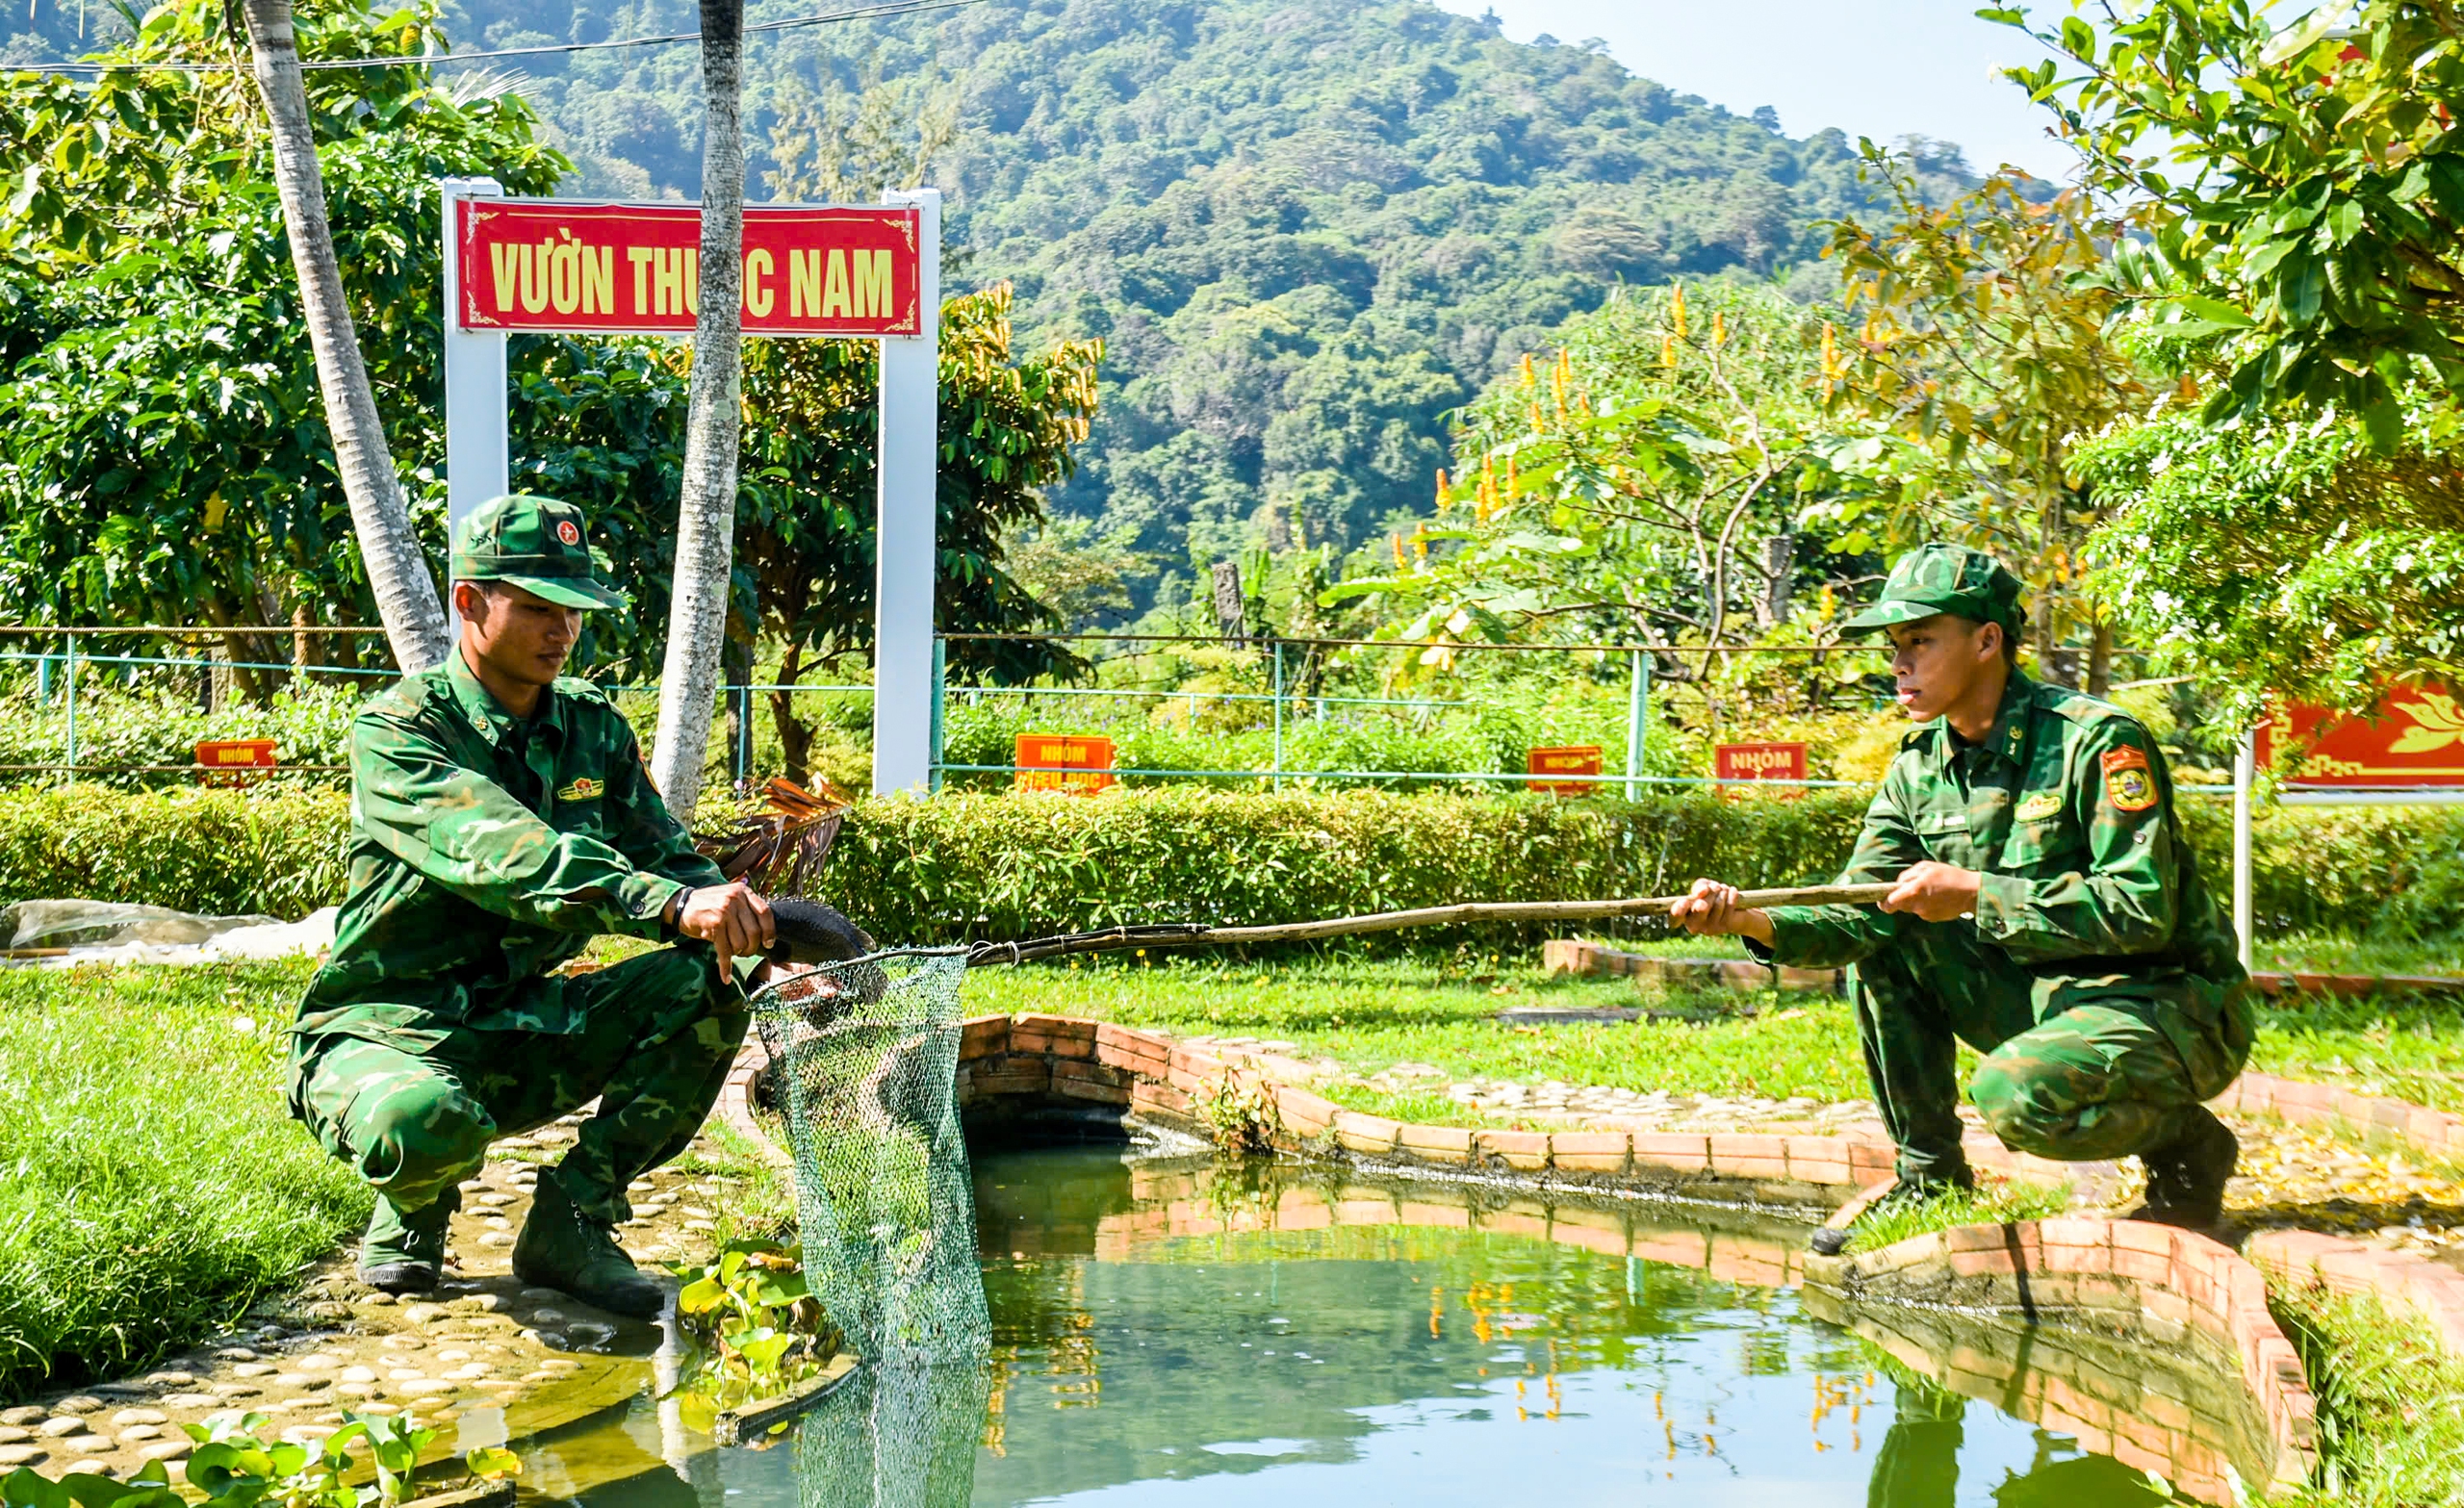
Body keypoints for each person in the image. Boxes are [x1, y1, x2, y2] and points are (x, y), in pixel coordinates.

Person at [288, 493, 786, 1316]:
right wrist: (669, 904)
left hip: (518, 1022)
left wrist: (756, 935)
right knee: (425, 1122)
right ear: (469, 601)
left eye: (574, 610)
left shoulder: (592, 727)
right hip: (385, 1027)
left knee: (713, 979)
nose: (562, 630)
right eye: (537, 607)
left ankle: (573, 1220)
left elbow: (671, 860)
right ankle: (416, 1202)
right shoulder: (400, 732)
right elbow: (515, 859)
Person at [1672, 544, 2251, 1241]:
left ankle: (2188, 1144)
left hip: (2167, 1006)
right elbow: (1860, 908)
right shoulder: (1917, 770)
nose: (1899, 663)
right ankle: (1928, 1177)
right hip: (2047, 997)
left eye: (1920, 640)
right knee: (1888, 935)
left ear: (1986, 641)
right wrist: (1751, 919)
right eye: (1894, 645)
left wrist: (1979, 893)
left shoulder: (2095, 742)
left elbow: (2140, 908)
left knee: (2016, 1098)